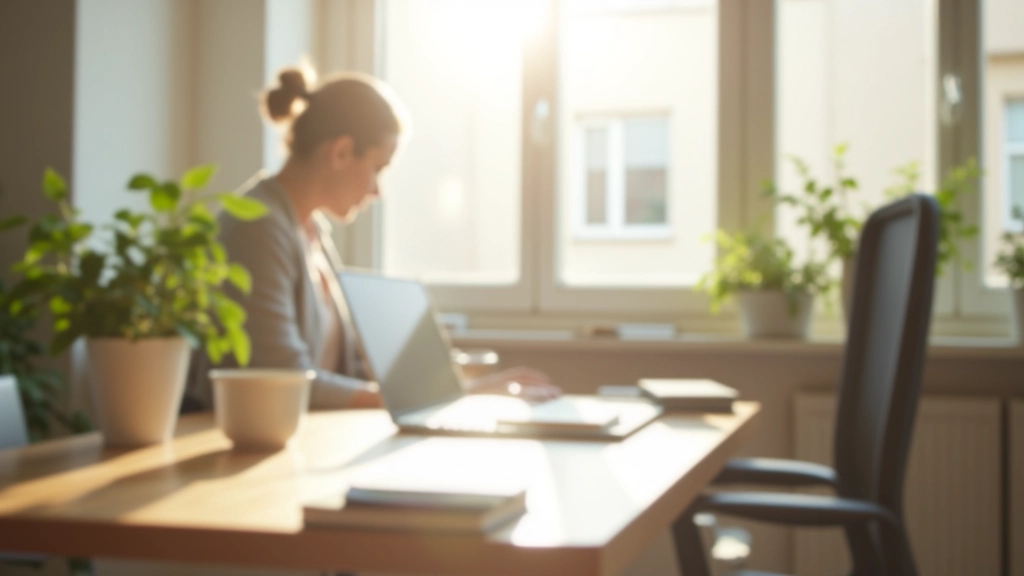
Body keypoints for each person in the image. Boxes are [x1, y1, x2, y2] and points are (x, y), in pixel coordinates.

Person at [185, 67, 560, 410]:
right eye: (378, 168)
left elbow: (352, 370)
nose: (378, 191)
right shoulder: (258, 229)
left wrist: (462, 385)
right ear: (342, 152)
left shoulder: (311, 234)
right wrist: (456, 395)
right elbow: (286, 383)